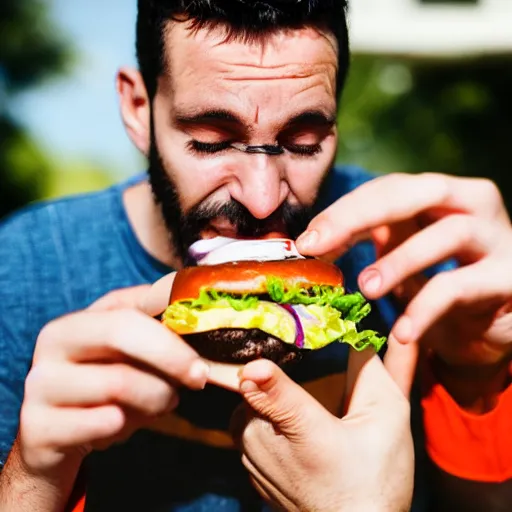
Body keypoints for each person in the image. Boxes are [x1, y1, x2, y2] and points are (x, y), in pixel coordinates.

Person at [0, 0, 511, 510]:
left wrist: (478, 375)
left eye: (303, 142)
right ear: (138, 109)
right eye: (210, 142)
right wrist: (35, 477)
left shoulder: (416, 255)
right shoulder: (22, 272)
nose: (262, 198)